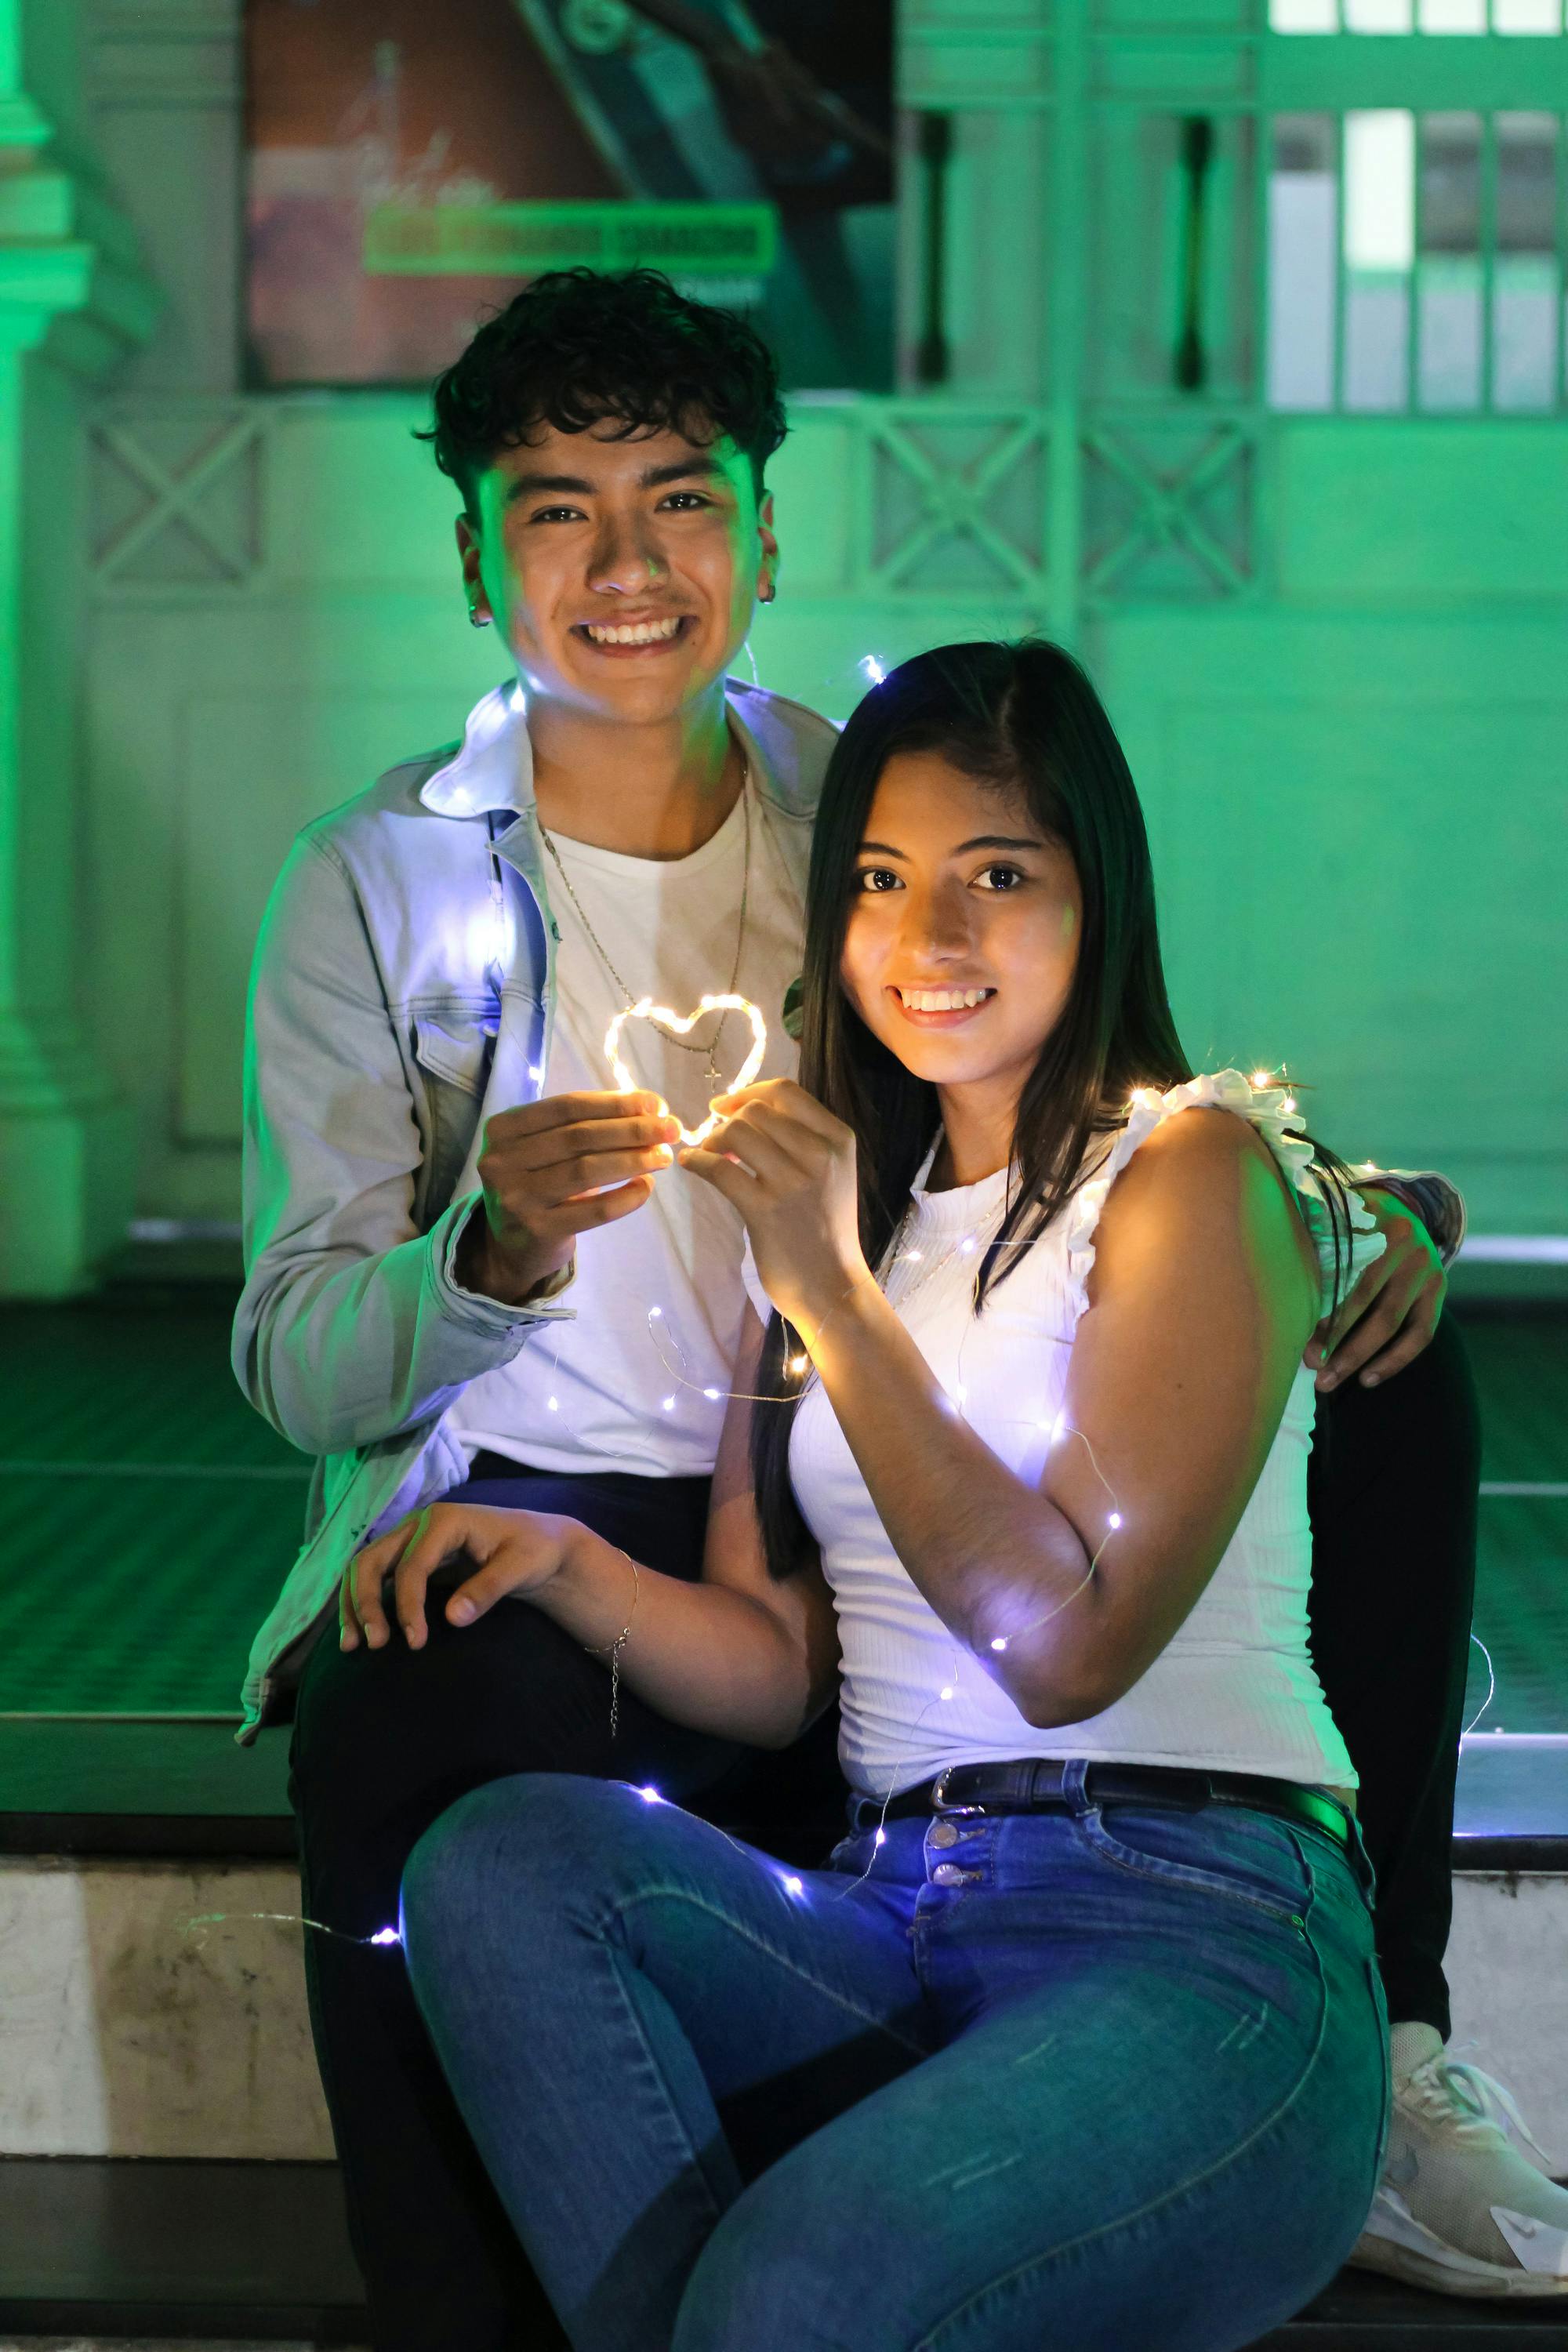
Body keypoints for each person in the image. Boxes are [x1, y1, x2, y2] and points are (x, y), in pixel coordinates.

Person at [230, 271, 1550, 2350]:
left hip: (905, 1541)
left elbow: (1108, 1079)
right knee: (442, 1774)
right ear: (475, 559)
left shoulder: (870, 797)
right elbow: (296, 1351)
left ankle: (1377, 2033)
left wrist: (1329, 1197)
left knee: (1397, 1381)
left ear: (766, 532)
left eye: (681, 500)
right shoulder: (376, 878)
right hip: (605, 1499)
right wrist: (478, 1259)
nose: (629, 564)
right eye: (557, 511)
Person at [389, 636, 1399, 2347]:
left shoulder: (1187, 1178)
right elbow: (787, 1662)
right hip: (888, 1914)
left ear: (1100, 901)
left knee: (798, 2286)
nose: (928, 942)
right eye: (880, 880)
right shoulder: (831, 1219)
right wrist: (557, 1556)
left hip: (1194, 1934)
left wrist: (837, 1306)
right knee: (500, 1868)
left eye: (997, 876)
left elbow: (1063, 1645)